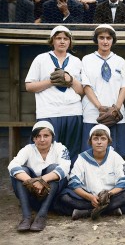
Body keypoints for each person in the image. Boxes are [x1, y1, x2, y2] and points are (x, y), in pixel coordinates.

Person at [54, 124, 125, 220]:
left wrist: (108, 194)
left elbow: (124, 181)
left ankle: (87, 212)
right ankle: (110, 210)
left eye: (103, 139)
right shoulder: (82, 158)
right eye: (96, 139)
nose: (99, 142)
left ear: (108, 141)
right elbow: (74, 183)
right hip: (87, 197)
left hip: (110, 197)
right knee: (64, 196)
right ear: (90, 141)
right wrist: (90, 197)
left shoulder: (115, 157)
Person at [25, 25, 83, 161]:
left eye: (65, 38)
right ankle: (48, 179)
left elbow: (81, 91)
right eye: (58, 38)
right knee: (46, 149)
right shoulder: (41, 59)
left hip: (73, 111)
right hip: (48, 111)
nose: (62, 41)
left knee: (71, 150)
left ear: (70, 42)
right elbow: (29, 86)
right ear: (52, 41)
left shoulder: (76, 61)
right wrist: (51, 82)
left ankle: (69, 180)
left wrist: (70, 80)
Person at [8, 121, 71, 231]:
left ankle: (42, 215)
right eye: (38, 136)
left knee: (54, 168)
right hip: (33, 192)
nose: (42, 139)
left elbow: (65, 167)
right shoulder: (28, 149)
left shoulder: (60, 148)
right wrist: (31, 181)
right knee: (21, 171)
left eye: (46, 135)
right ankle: (26, 216)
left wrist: (42, 180)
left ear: (52, 137)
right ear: (33, 138)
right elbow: (12, 165)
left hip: (53, 194)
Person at [80, 24, 125, 157]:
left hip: (116, 115)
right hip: (93, 114)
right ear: (96, 39)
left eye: (108, 38)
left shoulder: (120, 61)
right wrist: (100, 107)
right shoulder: (87, 59)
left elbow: (124, 87)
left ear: (112, 40)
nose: (105, 41)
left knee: (118, 154)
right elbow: (86, 86)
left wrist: (116, 109)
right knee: (91, 153)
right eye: (101, 37)